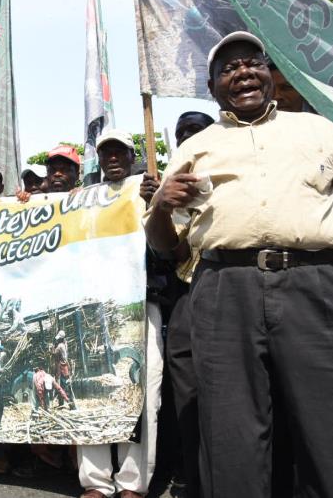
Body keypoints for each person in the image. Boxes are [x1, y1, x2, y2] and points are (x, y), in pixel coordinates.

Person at [144, 31, 333, 497]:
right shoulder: (196, 147)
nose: (242, 73)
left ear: (269, 72)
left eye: (251, 62)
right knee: (231, 431)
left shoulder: (321, 131)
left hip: (318, 285)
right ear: (212, 86)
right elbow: (164, 245)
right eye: (227, 69)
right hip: (224, 289)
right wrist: (160, 206)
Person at [78, 129, 163, 498]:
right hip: (94, 308)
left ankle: (132, 482)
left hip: (139, 302)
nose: (113, 158)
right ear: (99, 159)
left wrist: (157, 201)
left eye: (120, 152)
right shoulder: (83, 198)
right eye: (106, 153)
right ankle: (96, 481)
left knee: (144, 394)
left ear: (132, 157)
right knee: (90, 394)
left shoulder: (147, 188)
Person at [138, 110, 214, 497]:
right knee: (181, 392)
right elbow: (170, 250)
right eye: (182, 132)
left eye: (197, 131)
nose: (189, 138)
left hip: (228, 289)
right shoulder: (169, 183)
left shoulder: (222, 173)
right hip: (180, 295)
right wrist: (159, 208)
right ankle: (189, 472)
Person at [52, 330, 76, 410]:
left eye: (58, 339)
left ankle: (72, 405)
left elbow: (54, 354)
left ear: (61, 339)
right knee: (62, 387)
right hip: (64, 369)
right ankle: (62, 404)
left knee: (64, 388)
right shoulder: (64, 344)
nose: (57, 340)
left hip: (61, 370)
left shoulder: (59, 347)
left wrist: (52, 347)